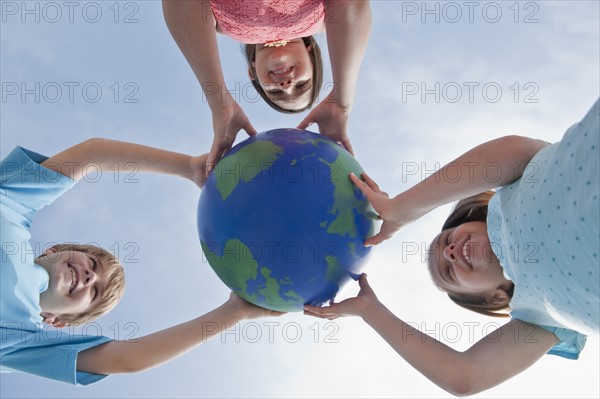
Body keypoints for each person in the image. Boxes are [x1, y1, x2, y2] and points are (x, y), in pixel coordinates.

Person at [304, 99, 599, 395]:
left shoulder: (512, 189)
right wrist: (370, 310)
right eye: (449, 272)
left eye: (447, 240)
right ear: (491, 298)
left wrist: (403, 208)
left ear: (472, 220)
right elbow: (464, 377)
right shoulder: (535, 318)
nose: (449, 253)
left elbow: (514, 151)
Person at [1, 138, 281, 385]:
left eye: (95, 291)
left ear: (57, 321)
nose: (89, 277)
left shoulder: (22, 341)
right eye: (92, 264)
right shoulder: (14, 204)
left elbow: (127, 358)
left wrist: (235, 311)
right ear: (54, 249)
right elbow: (92, 153)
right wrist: (189, 167)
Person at [162, 0, 372, 171]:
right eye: (301, 85)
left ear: (253, 72)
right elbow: (352, 5)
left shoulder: (218, 24)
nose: (287, 85)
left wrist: (219, 103)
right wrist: (342, 102)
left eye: (276, 92)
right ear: (311, 54)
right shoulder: (325, 17)